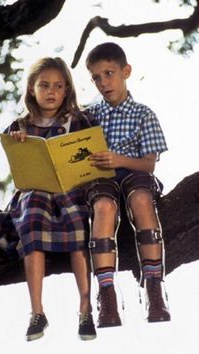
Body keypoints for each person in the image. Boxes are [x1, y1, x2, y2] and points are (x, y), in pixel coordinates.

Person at [0, 57, 97, 341]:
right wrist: (19, 141)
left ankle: (85, 308)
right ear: (32, 89)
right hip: (35, 190)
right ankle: (37, 311)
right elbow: (19, 168)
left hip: (71, 189)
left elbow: (91, 156)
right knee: (31, 216)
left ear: (67, 90)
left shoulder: (79, 120)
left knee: (79, 222)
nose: (51, 91)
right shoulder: (20, 125)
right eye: (44, 85)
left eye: (58, 86)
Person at [84, 42, 171, 327]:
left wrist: (119, 159)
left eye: (109, 73)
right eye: (96, 77)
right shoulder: (88, 115)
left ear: (126, 71)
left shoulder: (143, 114)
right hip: (102, 179)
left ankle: (154, 289)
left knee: (142, 201)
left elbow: (149, 164)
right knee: (105, 207)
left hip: (135, 172)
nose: (102, 82)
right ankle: (107, 295)